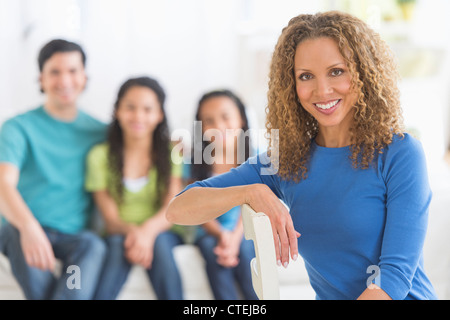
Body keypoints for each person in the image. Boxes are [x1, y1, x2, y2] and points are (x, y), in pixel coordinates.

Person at [167, 11, 438, 300]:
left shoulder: (400, 153)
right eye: (306, 76)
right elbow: (179, 209)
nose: (322, 90)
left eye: (337, 71)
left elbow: (393, 278)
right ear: (291, 87)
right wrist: (250, 192)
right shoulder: (286, 161)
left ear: (363, 73)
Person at [0, 39, 107, 299]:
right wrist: (29, 228)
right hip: (21, 230)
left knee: (92, 245)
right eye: (55, 72)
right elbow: (3, 184)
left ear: (84, 76)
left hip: (74, 241)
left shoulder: (101, 133)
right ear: (42, 79)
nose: (65, 80)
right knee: (13, 233)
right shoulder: (18, 127)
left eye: (72, 71)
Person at [86, 76, 184, 300]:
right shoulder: (99, 157)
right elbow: (110, 219)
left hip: (163, 231)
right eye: (130, 107)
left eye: (147, 109)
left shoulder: (172, 154)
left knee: (159, 243)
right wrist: (135, 234)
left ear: (159, 115)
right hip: (119, 233)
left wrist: (147, 232)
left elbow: (173, 209)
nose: (138, 116)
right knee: (117, 245)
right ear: (117, 111)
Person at [186, 89, 258, 300]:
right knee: (212, 248)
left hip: (246, 230)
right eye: (209, 120)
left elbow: (255, 206)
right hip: (211, 233)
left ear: (241, 119)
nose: (218, 126)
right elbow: (196, 208)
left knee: (245, 247)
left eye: (226, 117)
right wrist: (221, 235)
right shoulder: (194, 164)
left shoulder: (258, 160)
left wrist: (234, 238)